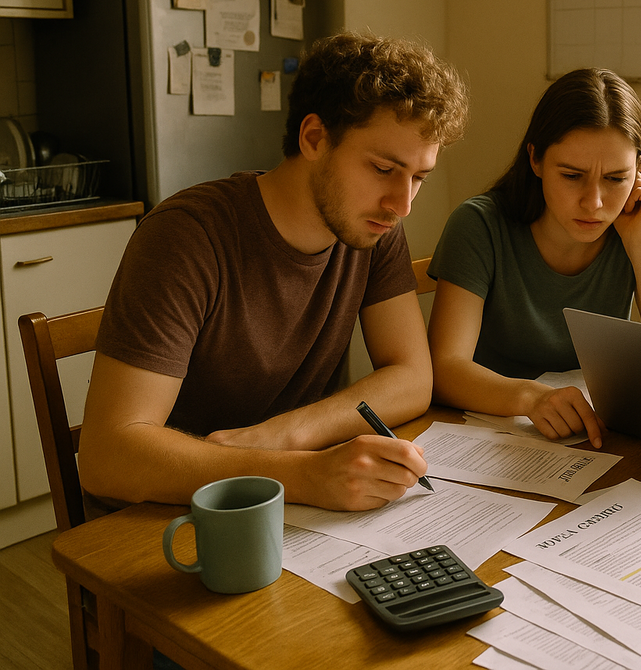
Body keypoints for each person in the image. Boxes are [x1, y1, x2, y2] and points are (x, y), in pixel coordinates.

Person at [77, 32, 469, 515]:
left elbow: (412, 378)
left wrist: (283, 436)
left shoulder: (373, 227)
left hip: (282, 501)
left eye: (419, 179)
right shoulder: (186, 236)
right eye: (384, 168)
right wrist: (303, 473)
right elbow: (107, 457)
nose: (402, 203)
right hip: (167, 516)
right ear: (314, 139)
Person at [426, 68, 641, 448]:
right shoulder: (479, 225)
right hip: (488, 434)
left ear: (639, 169)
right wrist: (531, 398)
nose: (595, 203)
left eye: (616, 178)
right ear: (535, 160)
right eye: (572, 176)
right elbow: (444, 368)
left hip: (592, 433)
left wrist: (640, 246)